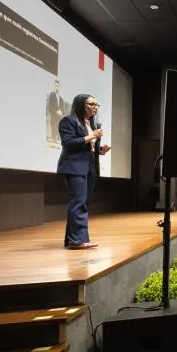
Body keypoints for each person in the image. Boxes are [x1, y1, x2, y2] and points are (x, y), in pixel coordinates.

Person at [57, 94, 110, 249]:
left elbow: (85, 146)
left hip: (89, 165)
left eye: (96, 104)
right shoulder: (68, 121)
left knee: (84, 203)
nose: (95, 107)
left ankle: (73, 239)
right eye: (91, 104)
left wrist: (100, 150)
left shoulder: (91, 123)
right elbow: (68, 143)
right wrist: (91, 136)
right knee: (78, 202)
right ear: (81, 104)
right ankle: (77, 240)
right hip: (74, 166)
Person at [46, 78, 68, 145]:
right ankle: (53, 140)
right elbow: (50, 106)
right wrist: (55, 112)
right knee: (54, 126)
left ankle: (57, 139)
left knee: (59, 127)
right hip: (54, 114)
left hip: (60, 116)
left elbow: (63, 108)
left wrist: (62, 113)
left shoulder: (61, 98)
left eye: (57, 86)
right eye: (55, 85)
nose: (56, 87)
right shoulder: (52, 95)